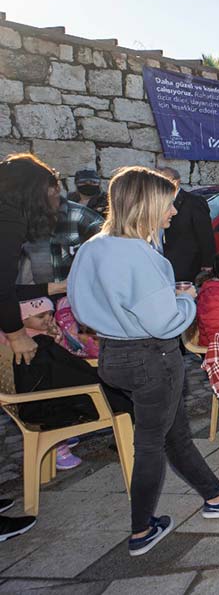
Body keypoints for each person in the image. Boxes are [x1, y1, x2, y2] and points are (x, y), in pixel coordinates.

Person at [68, 166, 219, 557]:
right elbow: (165, 322)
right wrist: (184, 298)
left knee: (172, 435)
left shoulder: (93, 247)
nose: (173, 213)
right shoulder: (142, 255)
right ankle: (141, 530)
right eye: (167, 206)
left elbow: (81, 307)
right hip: (151, 357)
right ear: (145, 205)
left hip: (113, 356)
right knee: (152, 444)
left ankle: (216, 497)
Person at [0, 153, 66, 540]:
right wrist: (17, 332)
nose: (55, 200)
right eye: (52, 191)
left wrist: (50, 289)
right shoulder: (8, 220)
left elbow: (7, 288)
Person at [3, 296, 132, 470]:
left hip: (56, 395)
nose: (48, 319)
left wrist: (57, 339)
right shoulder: (28, 345)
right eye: (41, 317)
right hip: (51, 403)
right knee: (123, 392)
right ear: (22, 320)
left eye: (50, 314)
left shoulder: (40, 340)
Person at [16, 196, 104, 285]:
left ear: (56, 188)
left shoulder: (85, 219)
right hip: (38, 295)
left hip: (80, 295)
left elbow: (106, 271)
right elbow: (22, 278)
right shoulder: (18, 219)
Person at [159, 167, 217, 283]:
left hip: (187, 264)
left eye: (161, 180)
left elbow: (205, 234)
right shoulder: (157, 201)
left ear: (176, 181)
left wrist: (207, 263)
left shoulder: (194, 202)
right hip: (165, 262)